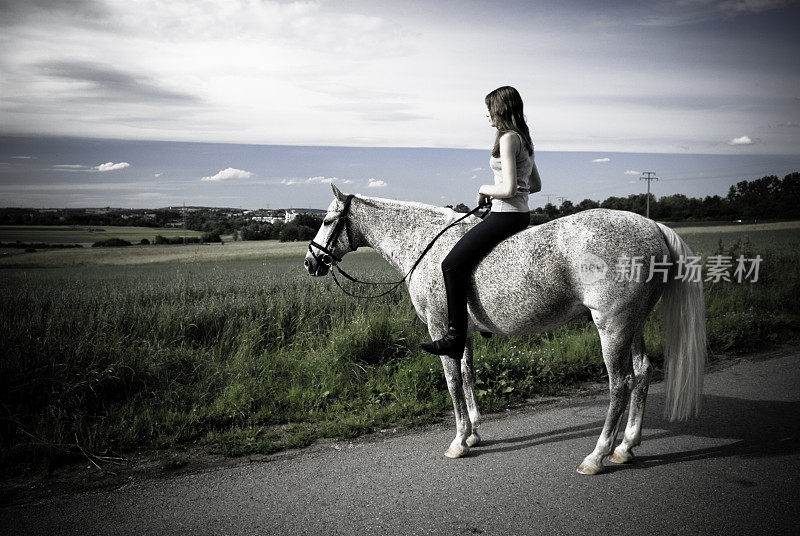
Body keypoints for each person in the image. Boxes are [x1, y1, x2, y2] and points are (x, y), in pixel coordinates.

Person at [419, 85, 542, 359]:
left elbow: (510, 188)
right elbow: (535, 185)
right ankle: (484, 319)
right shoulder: (524, 138)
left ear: (500, 109)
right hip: (519, 213)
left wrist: (486, 189)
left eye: (489, 109)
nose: (487, 115)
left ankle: (454, 338)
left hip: (506, 215)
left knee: (450, 264)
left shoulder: (509, 138)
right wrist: (506, 192)